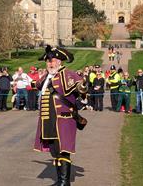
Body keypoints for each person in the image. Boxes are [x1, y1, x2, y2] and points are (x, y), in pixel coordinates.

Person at [34, 45, 87, 185]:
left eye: (53, 60)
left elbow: (79, 85)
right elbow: (37, 85)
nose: (50, 63)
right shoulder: (46, 77)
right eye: (48, 61)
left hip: (63, 119)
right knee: (55, 151)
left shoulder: (67, 73)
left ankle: (64, 182)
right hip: (49, 120)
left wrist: (82, 86)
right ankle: (60, 181)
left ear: (59, 62)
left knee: (64, 150)